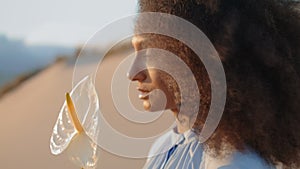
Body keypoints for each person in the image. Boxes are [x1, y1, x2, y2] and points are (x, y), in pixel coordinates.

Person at [127, 0, 300, 168]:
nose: (132, 74)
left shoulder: (235, 164)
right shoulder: (162, 148)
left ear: (193, 57)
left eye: (148, 53)